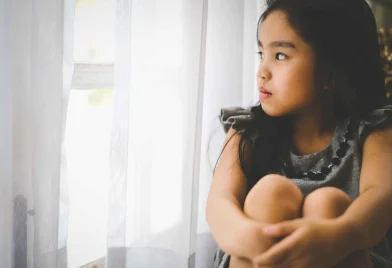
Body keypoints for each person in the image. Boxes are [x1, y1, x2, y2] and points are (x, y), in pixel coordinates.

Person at [206, 0, 392, 267]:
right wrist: (256, 237)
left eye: (280, 55)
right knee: (271, 193)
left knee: (329, 204)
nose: (262, 72)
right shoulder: (246, 130)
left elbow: (381, 202)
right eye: (262, 54)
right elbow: (219, 205)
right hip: (257, 255)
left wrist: (338, 236)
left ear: (330, 71)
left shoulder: (374, 130)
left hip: (349, 253)